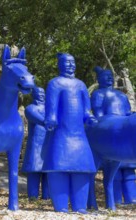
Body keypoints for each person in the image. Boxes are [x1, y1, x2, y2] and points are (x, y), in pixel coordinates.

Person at [43, 53, 97, 213]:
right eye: (66, 62)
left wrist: (90, 118)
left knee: (81, 168)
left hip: (79, 137)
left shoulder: (81, 85)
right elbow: (51, 108)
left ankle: (80, 205)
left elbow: (87, 109)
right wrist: (51, 119)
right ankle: (60, 206)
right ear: (59, 64)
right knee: (58, 167)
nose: (70, 65)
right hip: (61, 134)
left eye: (72, 62)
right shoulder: (54, 83)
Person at [91, 66, 136, 205]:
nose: (109, 78)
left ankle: (129, 198)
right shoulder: (98, 94)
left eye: (110, 75)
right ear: (99, 79)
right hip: (109, 128)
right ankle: (113, 199)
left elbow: (128, 111)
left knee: (127, 171)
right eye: (105, 76)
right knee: (113, 173)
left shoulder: (121, 95)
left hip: (123, 127)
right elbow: (98, 113)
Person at [21, 87, 49, 200]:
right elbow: (41, 120)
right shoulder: (30, 108)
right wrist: (50, 121)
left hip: (48, 144)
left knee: (48, 171)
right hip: (36, 145)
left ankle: (47, 196)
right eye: (38, 93)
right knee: (34, 170)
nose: (41, 95)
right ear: (33, 95)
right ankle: (33, 196)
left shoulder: (50, 108)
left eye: (43, 92)